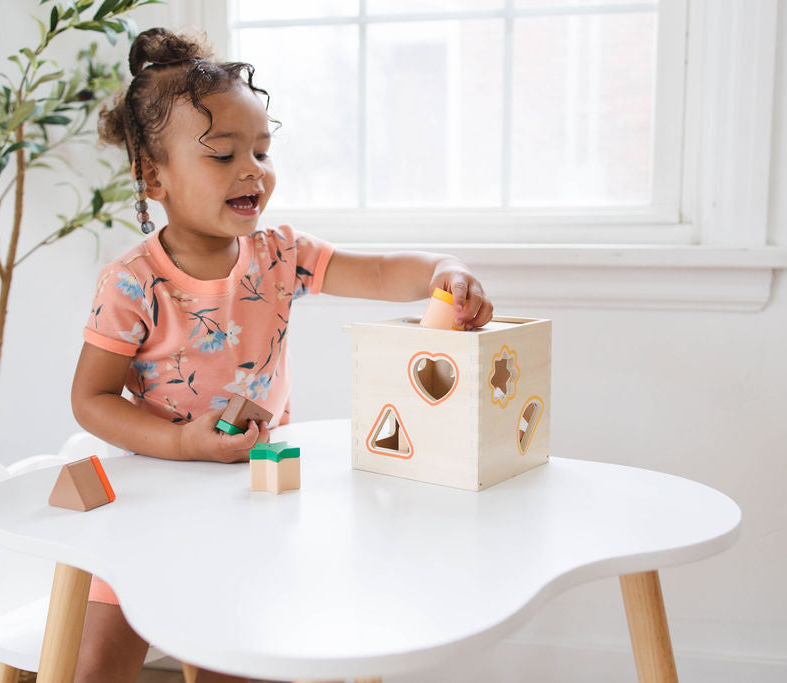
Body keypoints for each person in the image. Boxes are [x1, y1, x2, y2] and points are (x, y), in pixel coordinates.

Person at [69, 27, 494, 683]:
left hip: (254, 496)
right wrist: (183, 446)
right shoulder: (132, 282)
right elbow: (90, 399)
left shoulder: (281, 255)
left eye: (263, 151)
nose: (252, 171)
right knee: (95, 666)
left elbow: (381, 274)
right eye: (222, 155)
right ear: (154, 176)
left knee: (235, 659)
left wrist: (446, 267)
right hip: (155, 496)